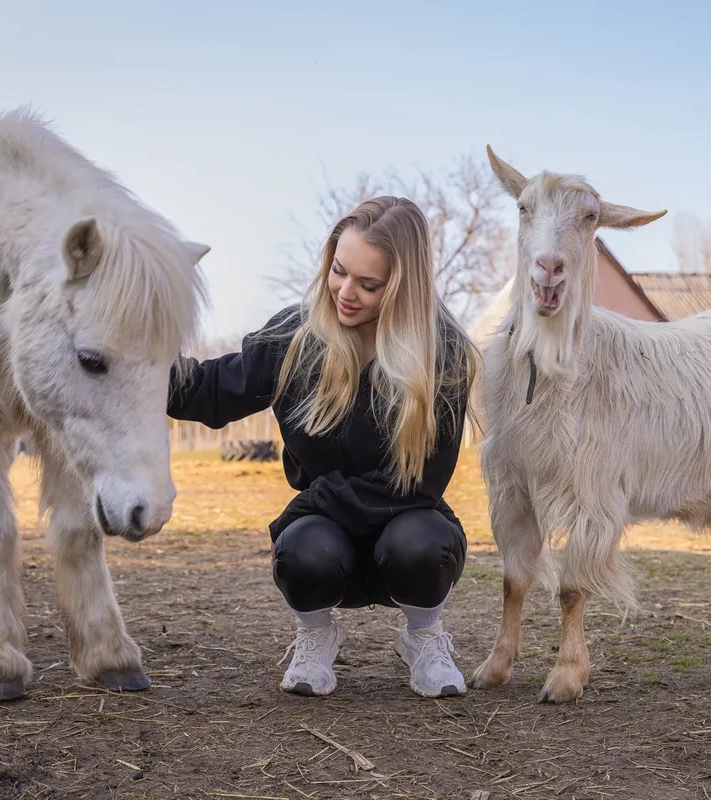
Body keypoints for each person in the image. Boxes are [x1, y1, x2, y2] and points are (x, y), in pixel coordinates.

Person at [167, 196, 479, 699]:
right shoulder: (294, 336)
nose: (345, 292)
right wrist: (128, 360)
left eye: (369, 284)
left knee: (419, 544)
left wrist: (310, 502)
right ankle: (315, 634)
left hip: (408, 533)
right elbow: (208, 392)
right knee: (302, 549)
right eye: (339, 270)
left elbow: (423, 484)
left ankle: (424, 637)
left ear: (402, 289)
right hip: (328, 543)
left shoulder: (443, 354)